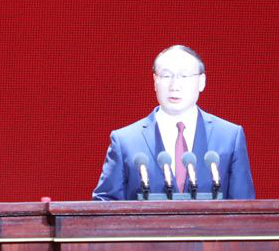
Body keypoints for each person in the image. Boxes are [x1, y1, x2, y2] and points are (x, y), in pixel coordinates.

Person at [91, 45, 255, 199]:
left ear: (201, 82)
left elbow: (244, 208)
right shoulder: (125, 141)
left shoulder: (229, 137)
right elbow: (105, 205)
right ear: (155, 81)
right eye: (166, 76)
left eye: (184, 76)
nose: (174, 86)